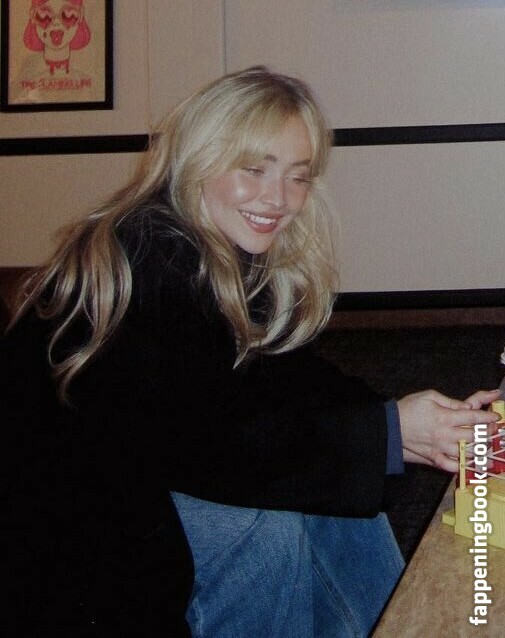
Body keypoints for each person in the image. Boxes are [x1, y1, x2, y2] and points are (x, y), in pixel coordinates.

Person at [1, 66, 500, 637]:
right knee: (266, 526)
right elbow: (208, 439)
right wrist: (388, 432)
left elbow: (281, 376)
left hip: (128, 481)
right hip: (55, 531)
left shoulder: (211, 246)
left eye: (298, 177)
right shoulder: (149, 254)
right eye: (254, 169)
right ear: (199, 158)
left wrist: (402, 419)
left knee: (338, 492)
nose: (279, 199)